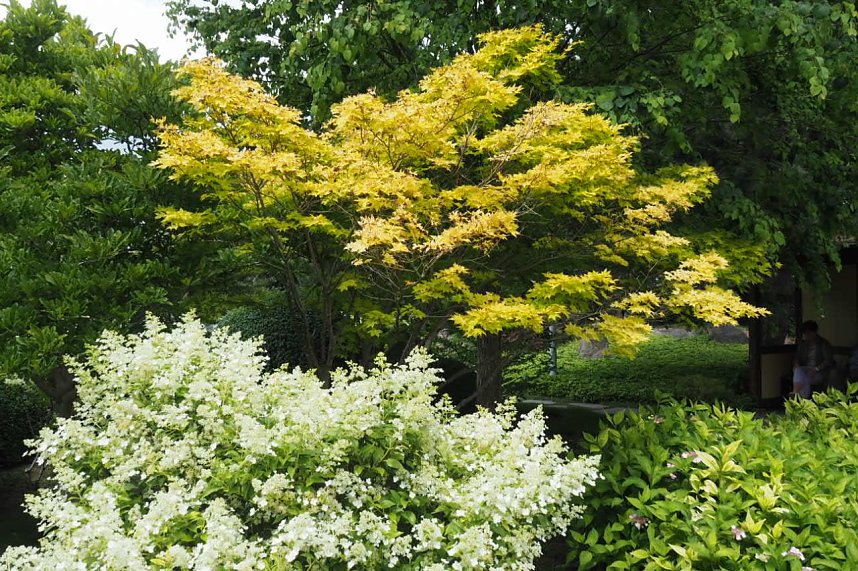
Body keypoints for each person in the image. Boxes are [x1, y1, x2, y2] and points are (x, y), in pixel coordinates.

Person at [791, 320, 834, 398]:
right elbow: (797, 357)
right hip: (806, 368)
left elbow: (828, 361)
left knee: (805, 377)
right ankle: (796, 393)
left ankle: (798, 397)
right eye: (805, 333)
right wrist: (796, 364)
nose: (807, 335)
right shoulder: (804, 344)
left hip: (820, 371)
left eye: (809, 333)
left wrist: (816, 369)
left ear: (814, 332)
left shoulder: (824, 344)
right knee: (798, 371)